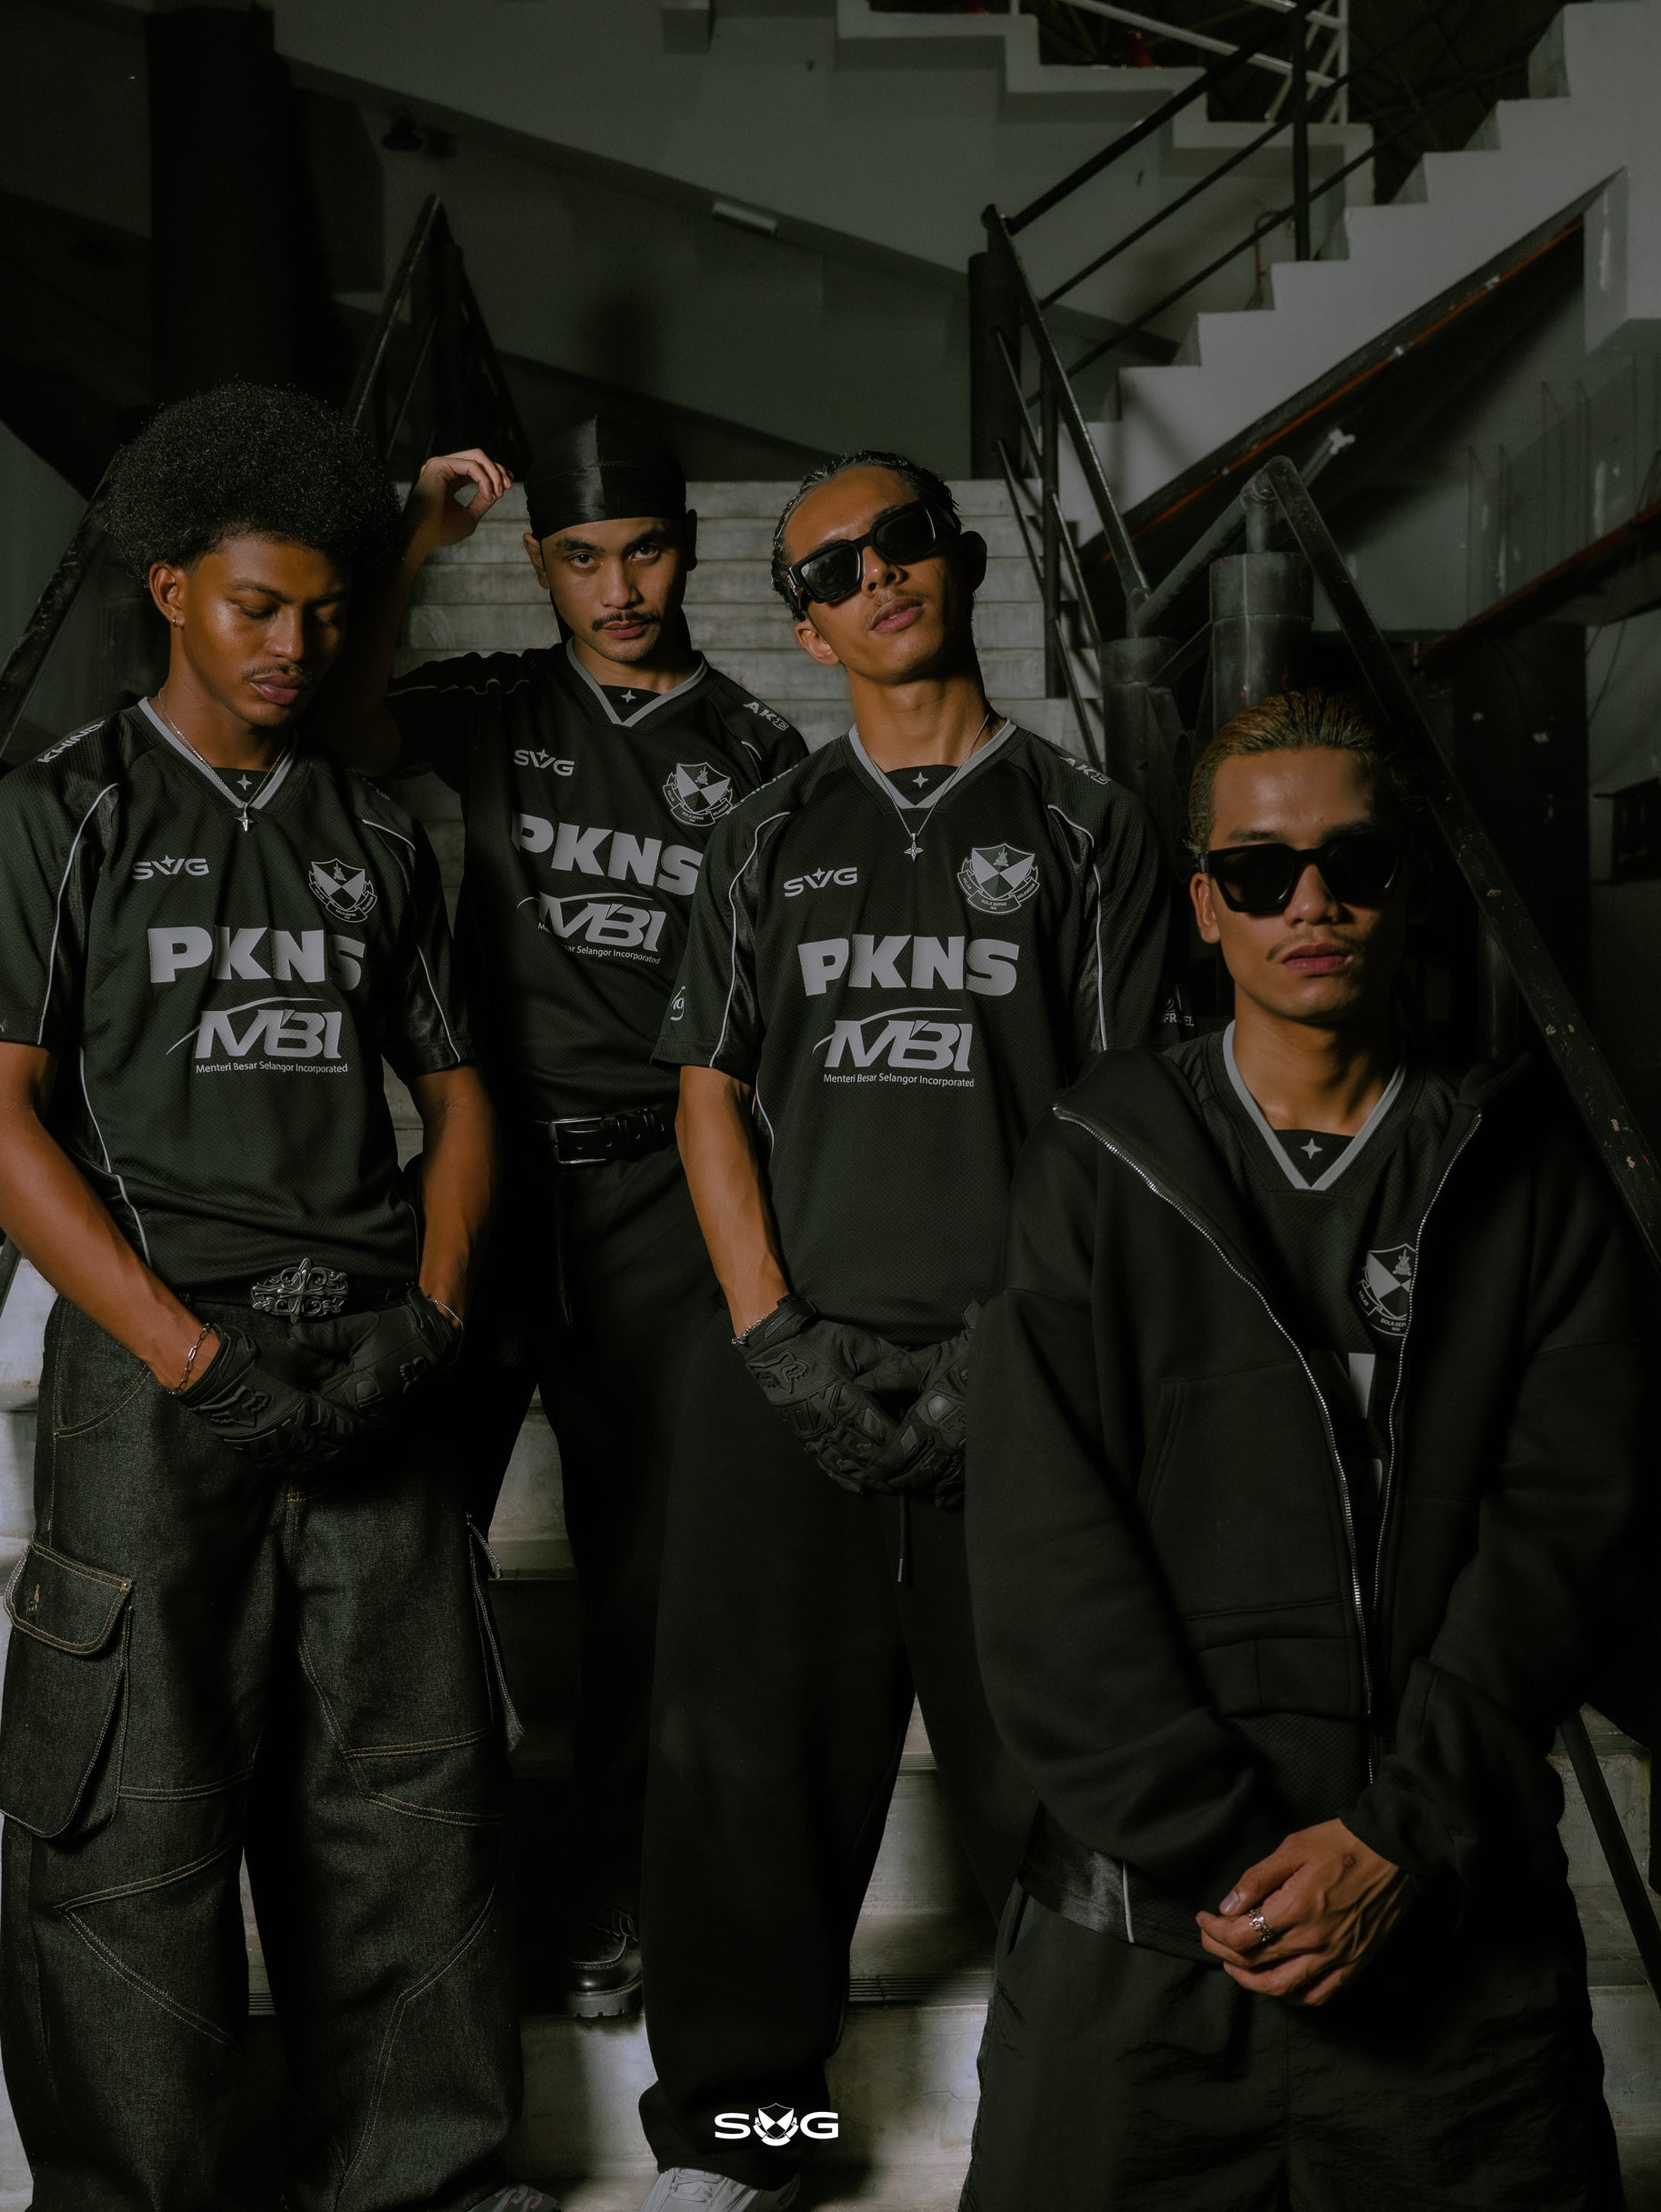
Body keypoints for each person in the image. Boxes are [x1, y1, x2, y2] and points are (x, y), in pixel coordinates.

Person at [0, 384, 548, 2212]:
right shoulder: (64, 809)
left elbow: (458, 1098)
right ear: (171, 590)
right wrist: (190, 1353)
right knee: (132, 1804)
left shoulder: (376, 828)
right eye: (257, 604)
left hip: (369, 1354)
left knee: (410, 1794)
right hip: (156, 1368)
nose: (295, 642)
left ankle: (423, 2180)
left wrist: (431, 1313)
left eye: (326, 612)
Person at [961, 690, 1655, 2211]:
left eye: (1354, 861)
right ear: (1203, 904)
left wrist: (1396, 1837)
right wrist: (1234, 1861)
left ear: (1410, 886)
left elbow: (1566, 1533)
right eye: (1261, 871)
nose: (1311, 902)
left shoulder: (1525, 1169)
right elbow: (1041, 1553)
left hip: (1448, 1933)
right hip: (1144, 1937)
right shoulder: (1095, 1163)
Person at [634, 450, 1176, 2210]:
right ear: (802, 624)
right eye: (830, 567)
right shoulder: (760, 833)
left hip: (1021, 1373)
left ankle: (1071, 2131)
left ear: (959, 557)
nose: (874, 575)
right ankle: (754, 2139)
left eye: (900, 540)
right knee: (742, 1778)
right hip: (787, 1367)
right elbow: (708, 1095)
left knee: (1053, 1768)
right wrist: (772, 1334)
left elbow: (1121, 1123)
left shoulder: (1089, 823)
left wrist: (1004, 1351)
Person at [314, 414, 809, 2018]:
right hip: (491, 1174)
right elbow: (340, 715)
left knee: (649, 1584)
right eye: (583, 557)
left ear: (689, 549)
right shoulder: (496, 704)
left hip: (665, 1192)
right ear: (541, 564)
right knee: (405, 1551)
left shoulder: (757, 752)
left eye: (644, 549)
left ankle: (615, 1897)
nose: (619, 585)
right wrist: (412, 537)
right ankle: (423, 1909)